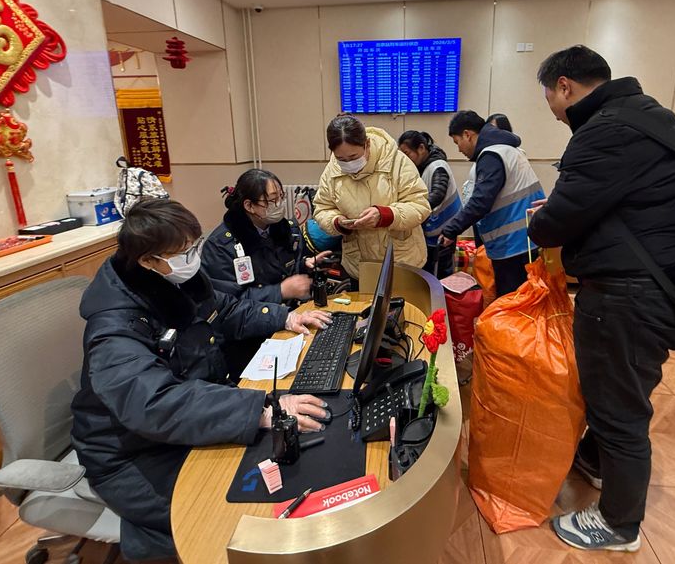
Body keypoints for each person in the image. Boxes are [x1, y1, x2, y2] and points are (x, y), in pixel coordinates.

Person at [71, 199, 332, 561]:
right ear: (147, 260)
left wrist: (283, 318)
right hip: (131, 452)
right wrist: (258, 409)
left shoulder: (177, 281)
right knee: (220, 515)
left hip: (183, 423)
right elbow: (154, 403)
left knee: (280, 462)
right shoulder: (114, 328)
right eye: (183, 252)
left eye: (195, 246)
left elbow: (225, 309)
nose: (194, 257)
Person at [527, 45, 675, 552]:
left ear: (564, 86)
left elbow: (556, 223)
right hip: (660, 287)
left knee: (619, 409)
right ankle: (597, 462)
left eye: (549, 97)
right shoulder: (651, 117)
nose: (552, 110)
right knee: (620, 393)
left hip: (625, 297)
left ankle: (619, 524)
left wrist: (543, 217)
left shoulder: (603, 132)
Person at [202, 169, 332, 375]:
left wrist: (304, 264)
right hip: (248, 340)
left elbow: (283, 269)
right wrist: (280, 291)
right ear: (249, 206)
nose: (279, 204)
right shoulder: (221, 246)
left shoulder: (284, 229)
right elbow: (229, 308)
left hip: (290, 321)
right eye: (272, 200)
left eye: (281, 197)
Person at [440, 110, 545, 296]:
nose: (459, 149)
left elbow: (481, 201)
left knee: (511, 302)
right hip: (525, 240)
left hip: (513, 245)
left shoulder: (492, 155)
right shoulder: (506, 150)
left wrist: (451, 229)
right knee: (521, 300)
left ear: (467, 134)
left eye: (457, 142)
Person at [314, 115, 431, 282]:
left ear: (367, 144)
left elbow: (420, 205)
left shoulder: (396, 162)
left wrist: (386, 215)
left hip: (401, 261)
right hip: (359, 265)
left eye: (353, 157)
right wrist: (337, 222)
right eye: (342, 159)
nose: (348, 164)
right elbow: (322, 209)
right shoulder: (332, 171)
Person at [398, 130, 461, 278]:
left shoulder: (437, 166)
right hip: (437, 230)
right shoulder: (424, 167)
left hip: (442, 230)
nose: (406, 159)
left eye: (407, 154)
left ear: (421, 148)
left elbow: (438, 194)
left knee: (437, 276)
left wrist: (413, 210)